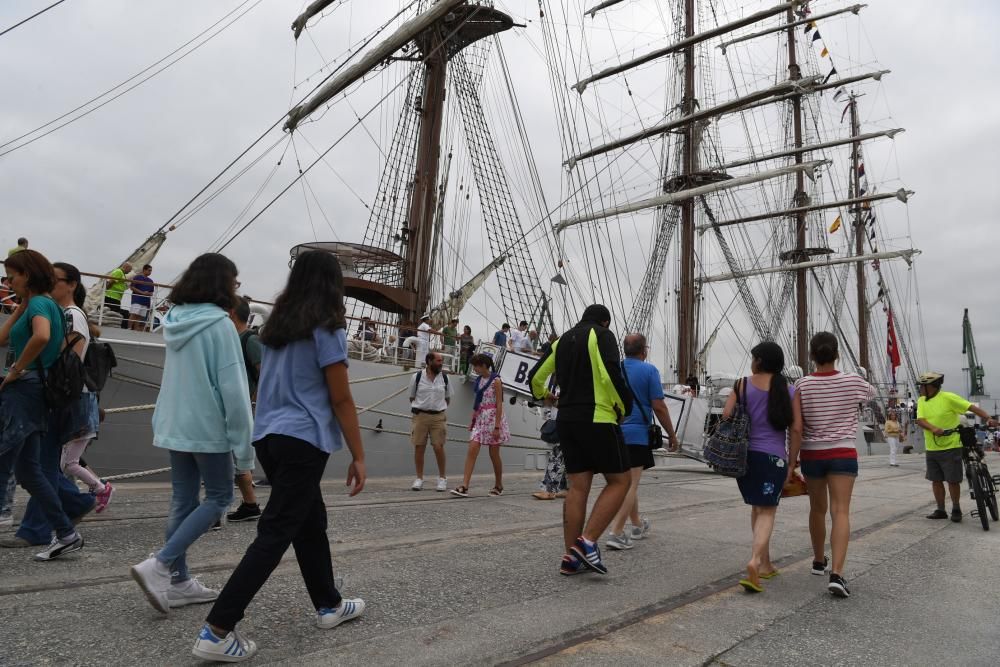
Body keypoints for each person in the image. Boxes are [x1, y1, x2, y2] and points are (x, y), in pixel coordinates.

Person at [191, 250, 366, 662]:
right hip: (304, 438)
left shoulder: (276, 329)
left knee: (309, 521)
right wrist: (359, 455)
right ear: (333, 284)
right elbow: (340, 397)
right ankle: (218, 629)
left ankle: (328, 604)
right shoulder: (327, 326)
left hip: (269, 436)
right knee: (276, 532)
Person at [130, 253, 254, 614]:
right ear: (222, 284)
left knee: (182, 501)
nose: (235, 288)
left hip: (174, 424)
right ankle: (161, 564)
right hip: (207, 427)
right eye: (234, 282)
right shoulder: (220, 326)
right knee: (219, 498)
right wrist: (244, 453)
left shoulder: (174, 321)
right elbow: (234, 392)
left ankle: (180, 582)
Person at [528, 304, 632, 576]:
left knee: (577, 487)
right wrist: (625, 407)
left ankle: (570, 558)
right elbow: (612, 373)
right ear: (606, 322)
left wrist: (546, 396)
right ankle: (587, 543)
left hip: (567, 419)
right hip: (597, 416)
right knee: (620, 480)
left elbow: (535, 377)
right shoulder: (602, 334)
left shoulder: (561, 340)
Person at [0, 249, 83, 561]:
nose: (8, 283)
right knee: (29, 471)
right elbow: (2, 338)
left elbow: (41, 337)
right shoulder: (39, 303)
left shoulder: (39, 304)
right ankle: (66, 533)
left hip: (24, 389)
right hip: (36, 392)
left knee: (9, 458)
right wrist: (20, 305)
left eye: (12, 277)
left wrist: (17, 369)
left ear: (28, 274)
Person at [794, 332, 875, 598]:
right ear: (837, 353)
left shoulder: (802, 385)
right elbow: (870, 395)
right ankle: (837, 574)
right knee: (841, 511)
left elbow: (797, 425)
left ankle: (819, 561)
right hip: (842, 451)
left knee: (817, 509)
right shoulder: (853, 381)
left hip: (812, 454)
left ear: (812, 356)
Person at [724, 342, 801, 593]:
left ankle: (766, 563)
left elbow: (726, 416)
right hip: (774, 458)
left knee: (759, 507)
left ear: (759, 361)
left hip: (745, 457)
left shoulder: (741, 385)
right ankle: (755, 561)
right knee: (768, 511)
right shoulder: (789, 390)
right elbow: (797, 428)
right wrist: (792, 462)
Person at [606, 333, 679, 551]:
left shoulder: (614, 369)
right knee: (630, 484)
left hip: (614, 430)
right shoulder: (649, 371)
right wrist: (672, 435)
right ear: (644, 350)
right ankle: (616, 532)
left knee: (625, 482)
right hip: (637, 433)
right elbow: (658, 406)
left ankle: (637, 525)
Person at [53, 262, 113, 511]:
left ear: (71, 285)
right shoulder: (74, 316)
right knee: (64, 461)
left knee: (64, 462)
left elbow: (69, 361)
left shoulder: (71, 316)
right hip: (83, 399)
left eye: (54, 279)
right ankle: (84, 495)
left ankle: (95, 492)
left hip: (77, 399)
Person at [914, 372, 998, 522]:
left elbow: (971, 407)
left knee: (953, 480)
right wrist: (933, 428)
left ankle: (956, 508)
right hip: (932, 448)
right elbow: (920, 420)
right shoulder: (921, 400)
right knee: (936, 480)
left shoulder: (948, 398)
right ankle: (941, 510)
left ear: (931, 387)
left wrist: (988, 418)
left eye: (922, 386)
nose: (920, 388)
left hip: (951, 446)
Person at [450, 353, 509, 497]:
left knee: (494, 454)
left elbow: (499, 404)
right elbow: (478, 402)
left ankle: (499, 484)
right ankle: (465, 485)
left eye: (476, 366)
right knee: (472, 449)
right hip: (480, 419)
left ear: (483, 366)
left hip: (493, 418)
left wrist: (497, 427)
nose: (474, 369)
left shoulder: (496, 381)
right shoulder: (479, 380)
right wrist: (473, 420)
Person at [227, 298, 264, 523]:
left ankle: (213, 509)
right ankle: (250, 504)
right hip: (236, 403)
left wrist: (253, 401)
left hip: (242, 405)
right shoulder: (233, 339)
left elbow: (265, 373)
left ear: (231, 313)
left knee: (230, 455)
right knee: (235, 456)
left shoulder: (249, 340)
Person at [410, 351, 450, 492]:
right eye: (438, 361)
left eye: (441, 360)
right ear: (429, 361)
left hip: (438, 417)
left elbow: (448, 398)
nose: (441, 363)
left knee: (438, 447)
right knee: (419, 447)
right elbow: (412, 396)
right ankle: (419, 478)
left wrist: (437, 408)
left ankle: (442, 478)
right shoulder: (417, 377)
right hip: (421, 416)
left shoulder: (444, 378)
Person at [129, 264, 155, 331]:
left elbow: (152, 292)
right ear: (144, 270)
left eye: (151, 271)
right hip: (137, 299)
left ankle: (135, 330)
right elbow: (132, 287)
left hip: (145, 301)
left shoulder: (151, 281)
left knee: (140, 316)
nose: (150, 272)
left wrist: (147, 293)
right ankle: (128, 328)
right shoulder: (137, 277)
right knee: (134, 314)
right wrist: (142, 293)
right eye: (149, 270)